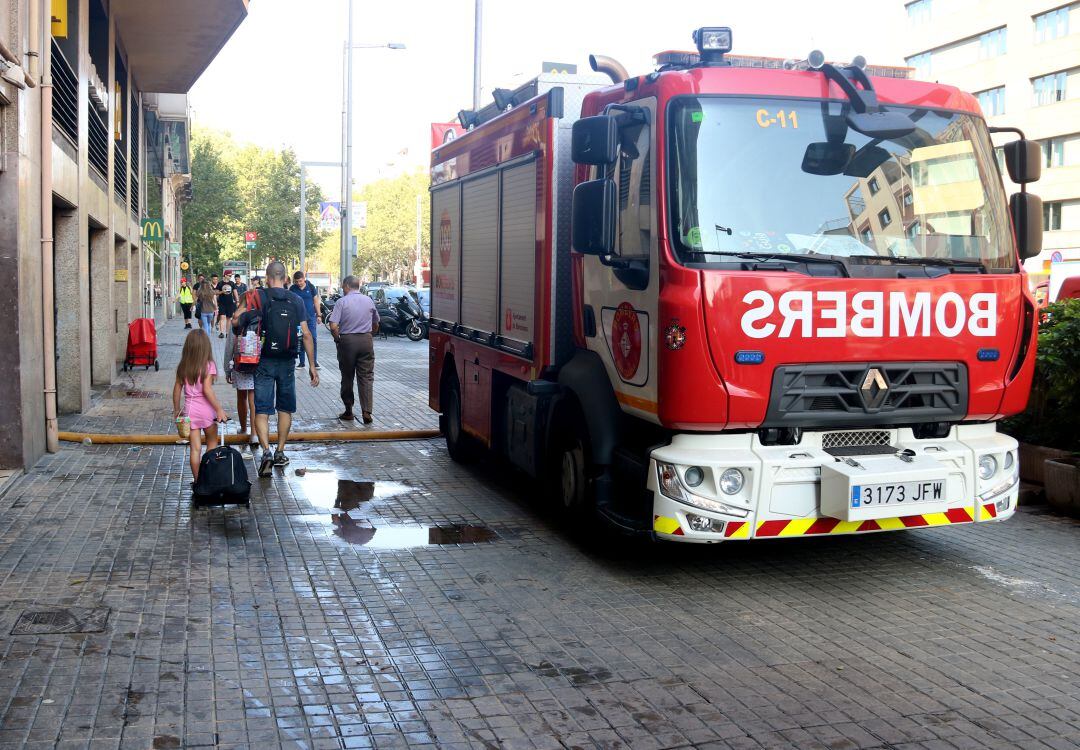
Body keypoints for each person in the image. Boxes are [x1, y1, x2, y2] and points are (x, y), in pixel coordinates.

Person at [234, 260, 319, 477]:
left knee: (262, 409)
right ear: (285, 277)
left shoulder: (257, 296)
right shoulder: (297, 299)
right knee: (285, 408)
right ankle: (280, 451)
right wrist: (311, 365)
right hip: (288, 361)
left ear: (267, 277)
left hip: (263, 360)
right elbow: (307, 334)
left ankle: (266, 452)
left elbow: (235, 320)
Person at [172, 329, 227, 486]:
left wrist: (177, 410)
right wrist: (219, 409)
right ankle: (209, 478)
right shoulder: (209, 366)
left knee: (195, 449)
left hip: (190, 412)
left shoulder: (183, 367)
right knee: (211, 444)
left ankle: (197, 481)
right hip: (206, 411)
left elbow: (176, 390)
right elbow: (207, 390)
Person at [328, 275, 379, 424]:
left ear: (347, 286)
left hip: (347, 342)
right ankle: (366, 411)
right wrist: (369, 336)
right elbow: (376, 323)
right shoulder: (369, 300)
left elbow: (333, 326)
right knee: (366, 377)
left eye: (343, 287)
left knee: (347, 376)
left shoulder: (341, 302)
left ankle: (349, 410)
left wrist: (338, 339)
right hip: (366, 341)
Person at [224, 292, 258, 450]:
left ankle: (244, 428)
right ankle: (254, 434)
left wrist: (227, 368)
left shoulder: (236, 317)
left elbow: (230, 344)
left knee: (241, 396)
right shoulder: (260, 315)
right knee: (254, 398)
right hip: (257, 362)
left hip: (240, 361)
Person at [289, 271, 322, 369]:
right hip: (298, 319)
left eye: (300, 281)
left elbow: (316, 301)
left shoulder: (311, 287)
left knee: (313, 338)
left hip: (310, 318)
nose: (299, 283)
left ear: (304, 279)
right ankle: (302, 362)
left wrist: (319, 315)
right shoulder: (292, 288)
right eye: (296, 281)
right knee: (300, 338)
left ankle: (314, 362)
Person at [216, 271, 238, 339]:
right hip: (222, 303)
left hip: (230, 303)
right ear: (225, 275)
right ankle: (222, 333)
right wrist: (222, 291)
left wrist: (237, 301)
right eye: (229, 275)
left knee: (229, 318)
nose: (230, 277)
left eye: (231, 276)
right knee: (222, 317)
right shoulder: (220, 283)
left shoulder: (232, 283)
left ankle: (227, 333)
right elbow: (216, 292)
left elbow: (235, 292)